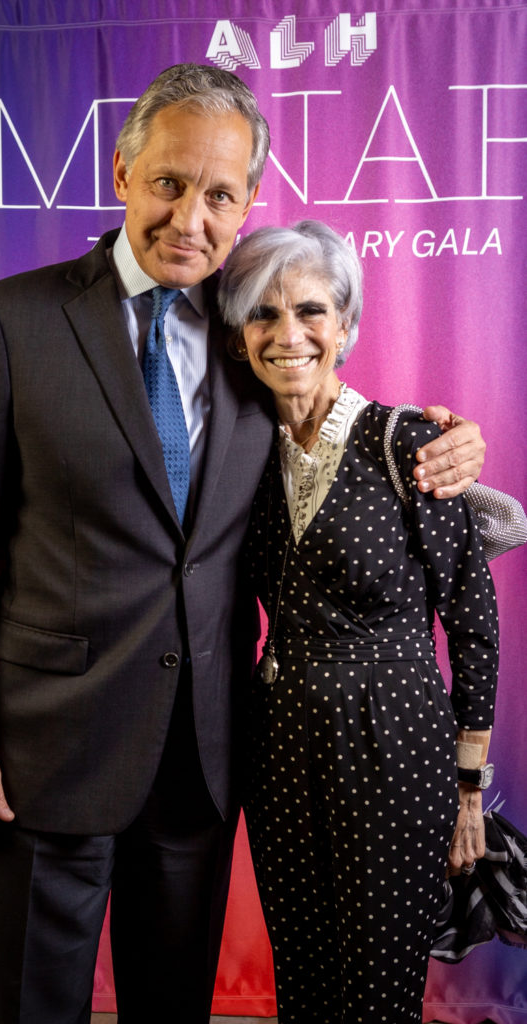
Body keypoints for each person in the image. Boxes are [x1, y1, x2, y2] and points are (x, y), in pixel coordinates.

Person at [0, 65, 486, 1024]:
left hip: (203, 756)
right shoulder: (11, 321)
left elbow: (330, 428)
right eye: (170, 182)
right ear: (124, 171)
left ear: (248, 202)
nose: (190, 217)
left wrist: (451, 445)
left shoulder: (251, 329)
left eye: (219, 195)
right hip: (43, 749)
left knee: (171, 1005)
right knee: (36, 1005)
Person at [217, 220, 499, 1024]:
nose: (287, 333)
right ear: (239, 338)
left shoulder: (409, 442)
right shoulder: (242, 457)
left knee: (376, 993)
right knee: (302, 983)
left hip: (395, 744)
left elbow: (473, 625)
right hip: (280, 749)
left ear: (345, 325)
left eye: (309, 310)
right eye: (262, 314)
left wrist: (467, 790)